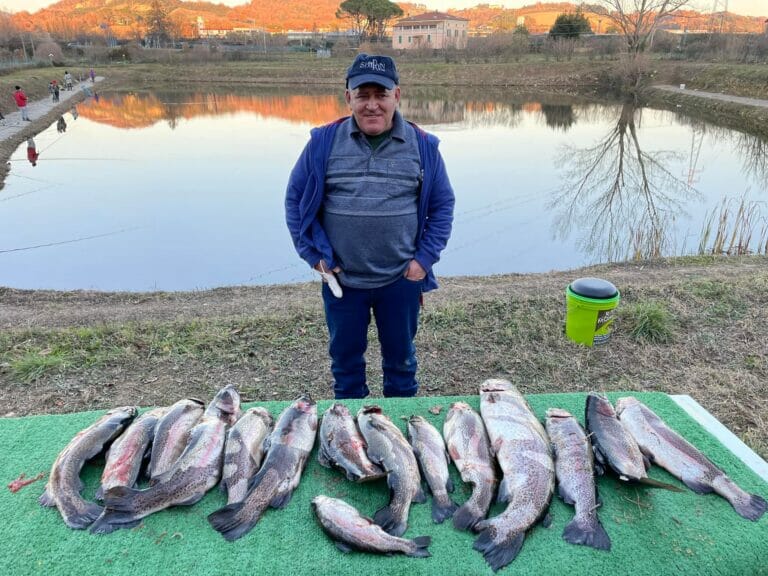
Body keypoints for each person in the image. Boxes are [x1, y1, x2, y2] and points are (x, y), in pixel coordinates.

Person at [285, 54, 455, 400]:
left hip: (401, 281)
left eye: (382, 94)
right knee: (345, 369)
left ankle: (402, 440)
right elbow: (295, 201)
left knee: (402, 367)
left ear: (397, 96)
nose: (372, 105)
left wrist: (422, 261)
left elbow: (442, 206)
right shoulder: (323, 143)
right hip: (343, 283)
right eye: (363, 95)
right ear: (348, 98)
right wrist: (314, 257)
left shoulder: (424, 146)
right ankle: (350, 443)